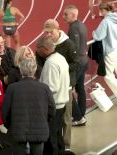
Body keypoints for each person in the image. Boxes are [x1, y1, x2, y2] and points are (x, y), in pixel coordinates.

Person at [39, 19, 78, 151]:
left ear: (58, 29)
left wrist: (61, 68)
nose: (48, 35)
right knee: (55, 125)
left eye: (51, 32)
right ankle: (60, 146)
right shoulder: (46, 45)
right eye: (46, 32)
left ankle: (66, 146)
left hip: (65, 87)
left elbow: (77, 63)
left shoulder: (69, 44)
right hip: (54, 83)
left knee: (66, 119)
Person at [2, 58, 55, 155]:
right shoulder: (44, 88)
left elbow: (5, 111)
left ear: (21, 70)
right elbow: (52, 109)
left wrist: (10, 125)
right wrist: (44, 120)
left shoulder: (12, 88)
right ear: (35, 70)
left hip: (18, 130)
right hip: (39, 129)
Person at [36, 37, 70, 155]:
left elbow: (51, 88)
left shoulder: (51, 63)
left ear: (44, 49)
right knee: (57, 135)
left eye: (38, 48)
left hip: (54, 106)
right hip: (61, 105)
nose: (36, 51)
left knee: (51, 139)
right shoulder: (60, 58)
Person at [63, 5, 88, 125]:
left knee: (67, 89)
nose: (63, 17)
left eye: (66, 14)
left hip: (78, 64)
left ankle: (78, 117)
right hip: (84, 61)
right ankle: (81, 114)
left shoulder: (73, 28)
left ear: (73, 15)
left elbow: (74, 48)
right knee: (80, 88)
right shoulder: (81, 24)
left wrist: (68, 63)